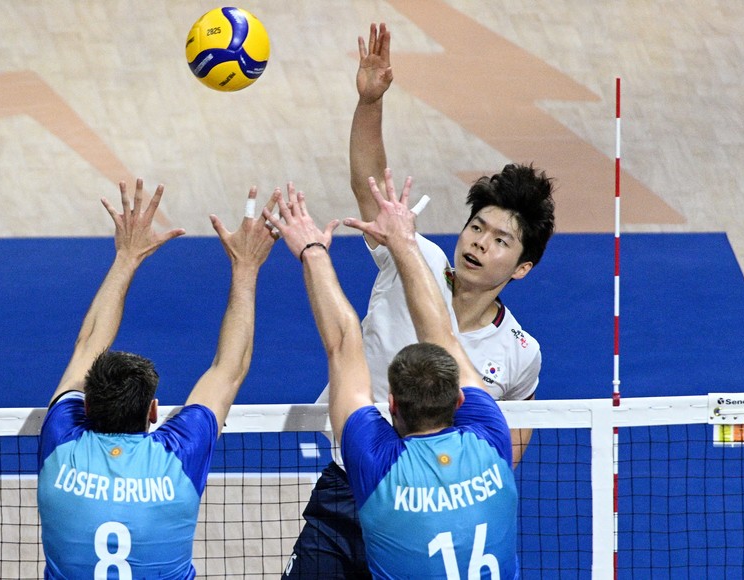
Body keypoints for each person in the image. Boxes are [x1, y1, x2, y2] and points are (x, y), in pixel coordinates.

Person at [284, 23, 555, 578]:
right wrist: (369, 102)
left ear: (523, 267)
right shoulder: (416, 257)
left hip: (427, 513)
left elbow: (505, 452)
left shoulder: (520, 352)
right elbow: (368, 184)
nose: (480, 244)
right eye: (477, 227)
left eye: (501, 241)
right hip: (348, 484)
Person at [268, 173, 519, 579]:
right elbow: (444, 337)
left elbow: (343, 343)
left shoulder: (378, 465)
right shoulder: (491, 440)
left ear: (391, 407)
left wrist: (313, 252)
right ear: (460, 401)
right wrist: (404, 242)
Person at [37, 179, 278, 579]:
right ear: (153, 412)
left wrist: (126, 257)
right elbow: (229, 368)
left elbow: (87, 345)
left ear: (88, 406)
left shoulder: (62, 443)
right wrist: (246, 267)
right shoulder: (178, 455)